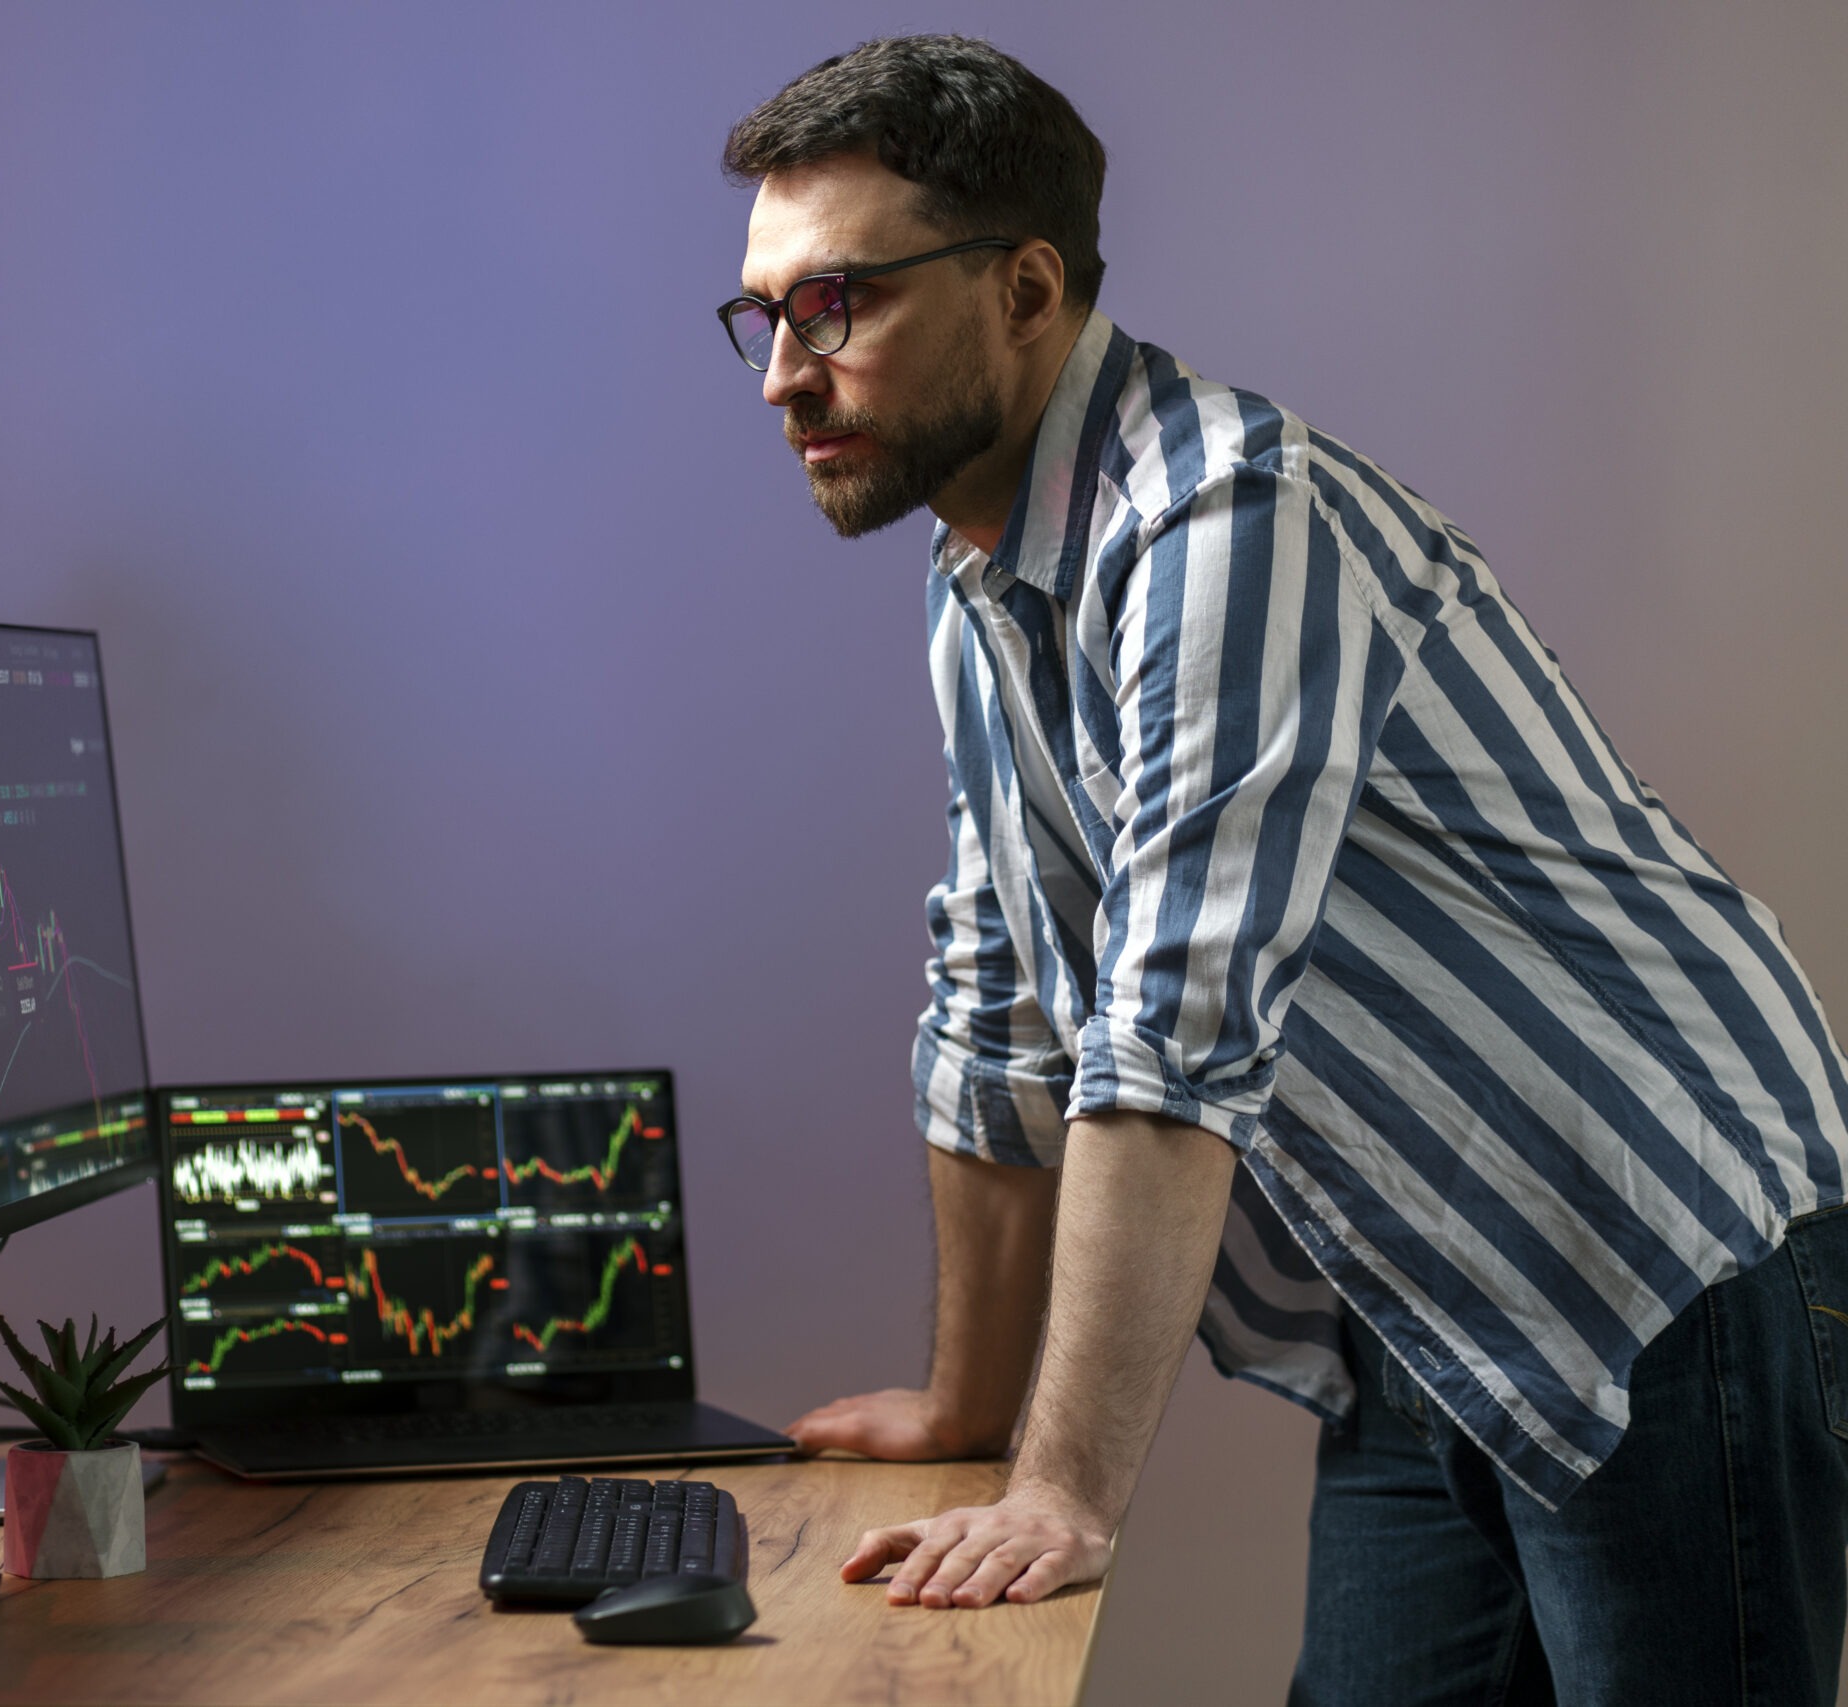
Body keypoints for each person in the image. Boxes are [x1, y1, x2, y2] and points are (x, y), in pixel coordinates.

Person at [722, 35, 1848, 1706]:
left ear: (1025, 288)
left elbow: (1172, 1034)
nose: (781, 376)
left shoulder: (1225, 522)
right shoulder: (986, 592)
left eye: (836, 307)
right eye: (763, 318)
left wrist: (1061, 1492)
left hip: (1653, 1250)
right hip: (1430, 1283)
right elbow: (995, 1008)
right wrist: (969, 1406)